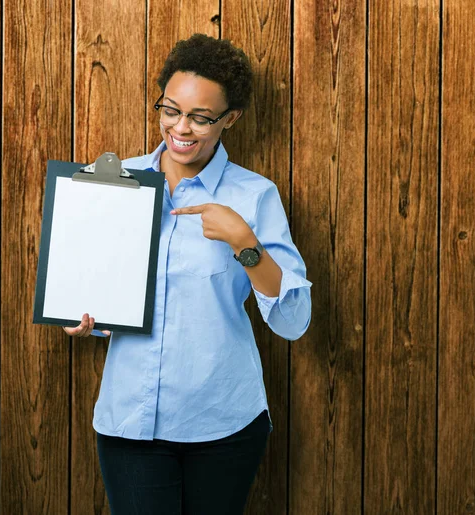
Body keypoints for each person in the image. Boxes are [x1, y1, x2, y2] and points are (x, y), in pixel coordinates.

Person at [63, 34, 312, 514]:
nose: (180, 128)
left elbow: (293, 322)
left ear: (229, 119)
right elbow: (93, 283)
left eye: (200, 118)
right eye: (170, 110)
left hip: (222, 423)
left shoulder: (255, 196)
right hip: (131, 420)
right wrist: (85, 312)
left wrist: (246, 243)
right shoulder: (110, 182)